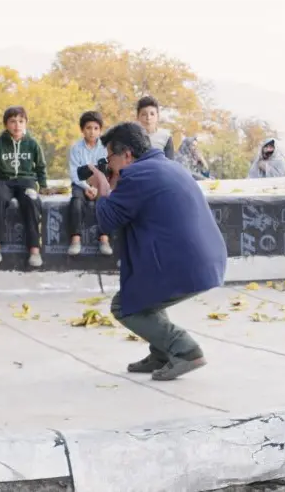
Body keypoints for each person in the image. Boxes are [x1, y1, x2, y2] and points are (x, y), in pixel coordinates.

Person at [87, 122, 226, 381]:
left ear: (126, 154)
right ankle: (162, 352)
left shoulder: (136, 175)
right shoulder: (169, 166)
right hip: (206, 260)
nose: (111, 165)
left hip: (184, 266)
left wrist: (104, 187)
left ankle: (184, 350)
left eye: (110, 159)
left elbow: (107, 220)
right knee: (144, 297)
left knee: (124, 306)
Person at [0, 106, 47, 268]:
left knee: (32, 201)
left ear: (26, 123)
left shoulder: (32, 143)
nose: (17, 125)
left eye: (21, 121)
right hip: (4, 181)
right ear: (6, 124)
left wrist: (42, 186)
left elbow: (41, 167)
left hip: (26, 181)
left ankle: (35, 250)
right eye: (13, 121)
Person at [67, 111, 113, 256]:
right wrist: (87, 187)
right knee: (76, 201)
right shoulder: (76, 149)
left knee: (104, 200)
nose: (92, 132)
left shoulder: (105, 149)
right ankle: (75, 239)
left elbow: (106, 172)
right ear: (82, 130)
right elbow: (75, 173)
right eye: (88, 128)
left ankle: (104, 238)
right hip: (81, 184)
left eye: (95, 128)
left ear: (100, 130)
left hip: (99, 184)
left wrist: (96, 188)